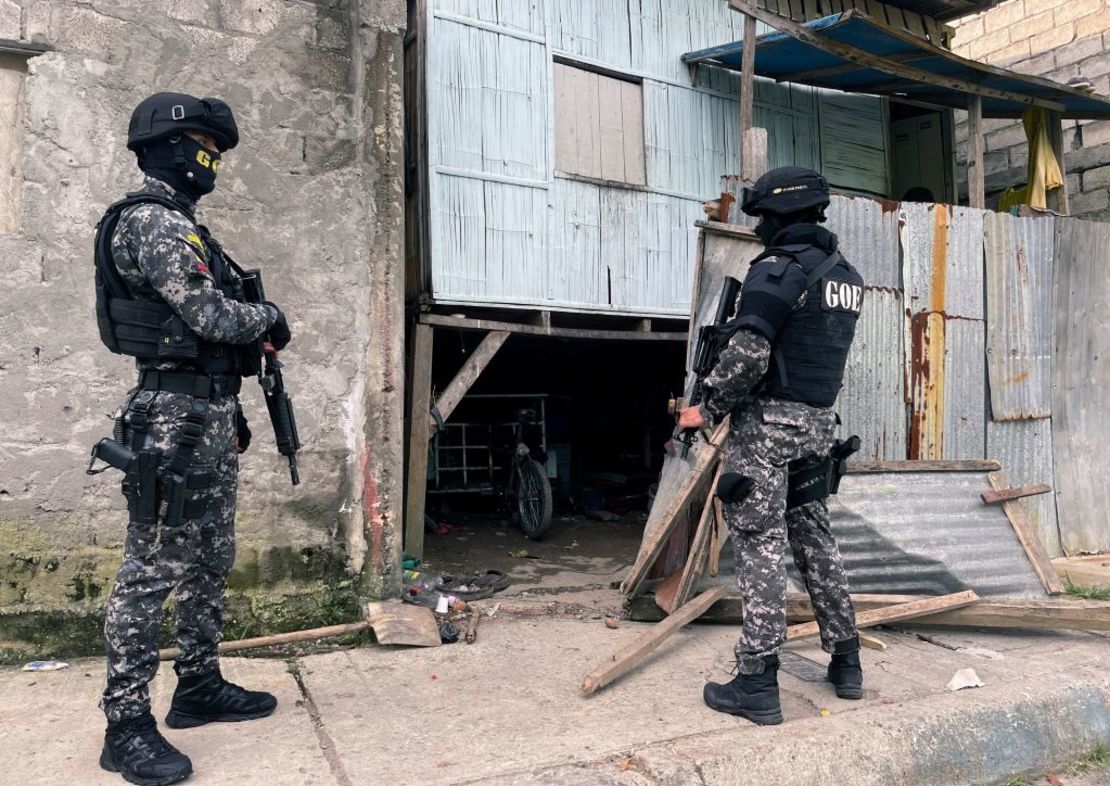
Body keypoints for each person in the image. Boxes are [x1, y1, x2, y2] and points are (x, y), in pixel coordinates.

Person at [93, 92, 292, 785]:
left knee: (209, 557)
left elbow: (206, 331)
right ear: (172, 148)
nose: (212, 160)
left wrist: (230, 403)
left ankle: (199, 685)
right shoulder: (152, 222)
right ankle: (125, 725)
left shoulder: (187, 226)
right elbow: (207, 314)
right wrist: (266, 314)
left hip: (204, 413)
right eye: (205, 147)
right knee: (150, 570)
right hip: (170, 421)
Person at [677, 166, 865, 725]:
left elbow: (750, 355)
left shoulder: (778, 269)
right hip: (816, 426)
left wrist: (705, 406)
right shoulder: (845, 275)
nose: (758, 227)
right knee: (815, 541)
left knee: (760, 542)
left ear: (779, 216)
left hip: (768, 430)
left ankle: (757, 681)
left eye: (761, 217)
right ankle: (846, 660)